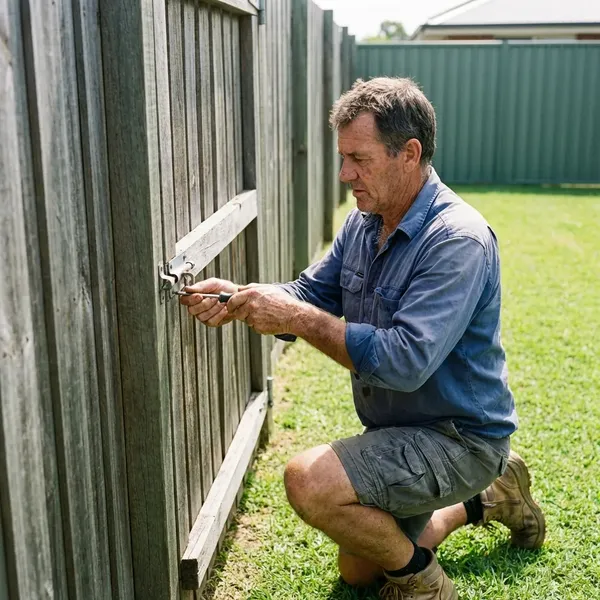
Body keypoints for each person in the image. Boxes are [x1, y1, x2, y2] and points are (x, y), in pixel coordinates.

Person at [180, 77, 545, 600]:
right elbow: (310, 293)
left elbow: (403, 362)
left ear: (409, 154)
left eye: (359, 159)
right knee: (359, 570)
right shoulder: (363, 222)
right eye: (342, 156)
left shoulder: (459, 240)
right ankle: (488, 500)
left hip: (460, 438)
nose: (344, 174)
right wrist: (243, 296)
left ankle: (422, 583)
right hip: (402, 432)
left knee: (308, 480)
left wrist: (300, 320)